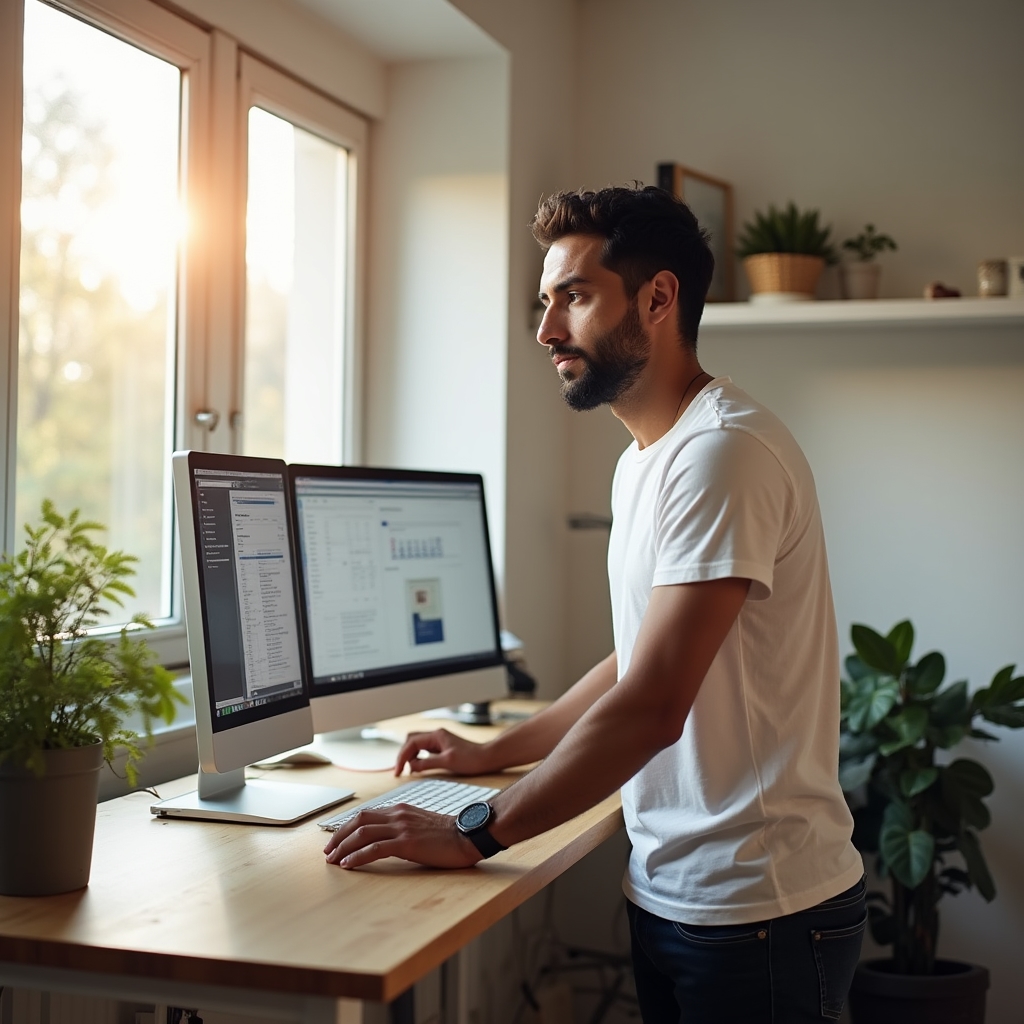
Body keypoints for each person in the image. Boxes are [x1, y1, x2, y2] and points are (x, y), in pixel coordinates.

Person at [324, 184, 865, 1023]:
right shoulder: (649, 455)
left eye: (572, 297)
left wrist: (476, 830)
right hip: (679, 890)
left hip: (760, 908)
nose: (546, 330)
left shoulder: (723, 452)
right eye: (546, 302)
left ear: (658, 298)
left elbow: (651, 707)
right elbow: (635, 661)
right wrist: (490, 753)